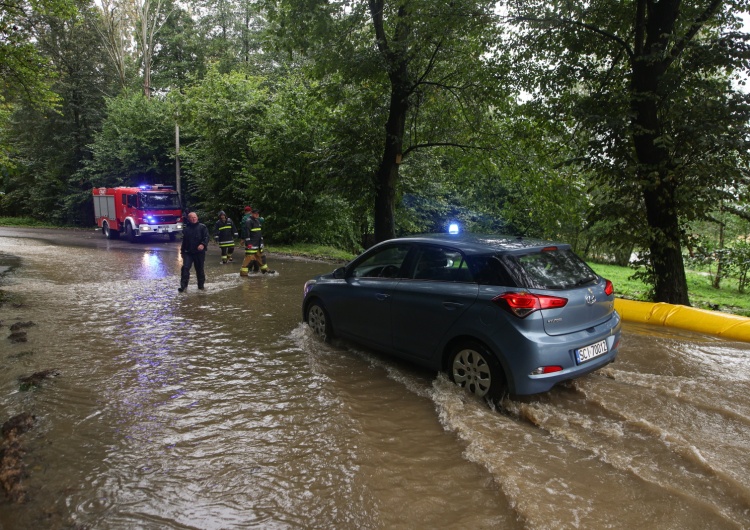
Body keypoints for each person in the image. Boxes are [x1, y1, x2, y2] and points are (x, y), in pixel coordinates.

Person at [179, 211, 209, 292]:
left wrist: (202, 244)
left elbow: (206, 237)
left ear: (197, 218)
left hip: (199, 253)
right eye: (191, 218)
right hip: (188, 252)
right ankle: (183, 286)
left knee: (199, 269)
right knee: (185, 268)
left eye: (194, 217)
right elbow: (184, 242)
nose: (193, 219)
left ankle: (201, 286)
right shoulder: (186, 229)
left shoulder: (202, 227)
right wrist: (182, 252)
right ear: (188, 219)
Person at [240, 208, 275, 276]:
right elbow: (247, 234)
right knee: (249, 260)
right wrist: (248, 243)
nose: (257, 214)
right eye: (255, 213)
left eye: (258, 213)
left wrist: (261, 243)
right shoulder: (248, 221)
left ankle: (265, 271)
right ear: (252, 214)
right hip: (251, 245)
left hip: (258, 245)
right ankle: (243, 275)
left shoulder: (257, 221)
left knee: (261, 258)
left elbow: (259, 233)